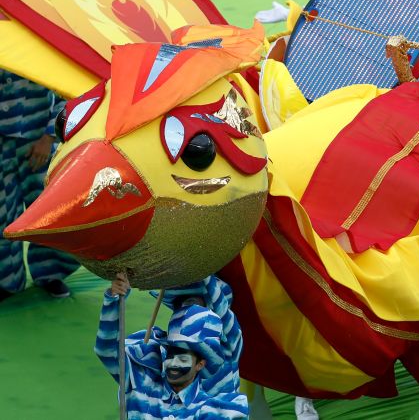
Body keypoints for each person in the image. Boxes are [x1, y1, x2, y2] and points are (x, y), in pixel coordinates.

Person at [95, 273, 249, 419]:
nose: (184, 308)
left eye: (192, 302)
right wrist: (115, 299)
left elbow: (227, 322)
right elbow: (108, 352)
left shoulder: (228, 348)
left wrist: (204, 268)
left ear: (202, 364)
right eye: (179, 302)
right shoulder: (145, 371)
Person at [0, 69, 78, 300]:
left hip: (39, 144)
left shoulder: (37, 44)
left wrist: (48, 137)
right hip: (2, 146)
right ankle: (7, 281)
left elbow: (67, 94)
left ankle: (51, 274)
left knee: (48, 211)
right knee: (3, 214)